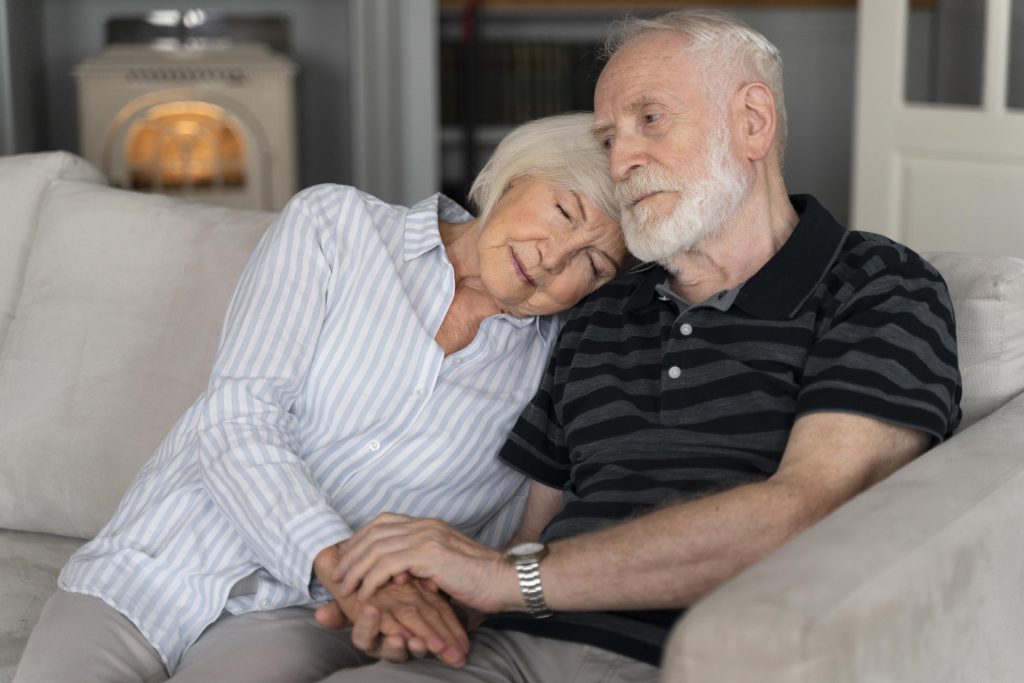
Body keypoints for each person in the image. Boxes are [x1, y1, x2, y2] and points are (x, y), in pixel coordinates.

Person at [314, 9, 963, 683]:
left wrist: (510, 579)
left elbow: (807, 508)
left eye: (649, 119)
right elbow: (533, 535)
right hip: (513, 646)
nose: (620, 160)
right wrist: (424, 607)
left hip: (703, 656)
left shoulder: (881, 283)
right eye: (607, 136)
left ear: (752, 123)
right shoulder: (602, 311)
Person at [13, 112, 628, 683]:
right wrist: (343, 566)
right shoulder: (338, 226)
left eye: (595, 263)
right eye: (563, 212)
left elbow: (522, 532)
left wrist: (441, 607)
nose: (555, 260)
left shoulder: (569, 358)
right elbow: (238, 417)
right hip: (153, 563)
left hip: (309, 616)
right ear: (515, 177)